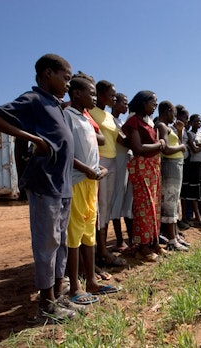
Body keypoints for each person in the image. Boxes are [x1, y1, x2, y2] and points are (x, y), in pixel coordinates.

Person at [0, 54, 78, 322]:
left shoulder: (56, 105)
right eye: (66, 78)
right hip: (45, 183)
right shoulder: (33, 99)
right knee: (47, 244)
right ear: (48, 74)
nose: (68, 83)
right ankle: (46, 307)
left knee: (61, 244)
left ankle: (57, 298)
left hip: (62, 184)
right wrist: (33, 138)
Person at [64, 72, 121, 305]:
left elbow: (94, 148)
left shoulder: (87, 119)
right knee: (74, 233)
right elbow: (65, 152)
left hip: (91, 182)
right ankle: (75, 287)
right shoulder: (67, 115)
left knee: (89, 231)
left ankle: (91, 282)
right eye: (91, 93)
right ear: (77, 93)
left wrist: (98, 169)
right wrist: (87, 169)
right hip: (77, 181)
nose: (95, 98)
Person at [122, 91, 166, 262]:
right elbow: (138, 148)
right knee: (144, 207)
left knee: (154, 206)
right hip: (142, 166)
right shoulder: (133, 121)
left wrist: (158, 145)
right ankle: (143, 247)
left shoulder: (148, 123)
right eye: (152, 102)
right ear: (142, 103)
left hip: (153, 166)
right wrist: (160, 143)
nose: (155, 106)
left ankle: (154, 242)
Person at [88, 80, 127, 267]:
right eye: (111, 95)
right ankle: (99, 251)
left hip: (112, 162)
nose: (113, 97)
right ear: (100, 94)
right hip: (99, 161)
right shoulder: (90, 112)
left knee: (106, 206)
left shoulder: (109, 117)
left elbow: (122, 138)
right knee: (98, 207)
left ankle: (101, 249)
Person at [155, 100, 189, 251]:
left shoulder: (169, 127)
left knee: (174, 202)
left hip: (176, 165)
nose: (175, 117)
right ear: (167, 111)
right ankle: (171, 240)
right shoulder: (161, 125)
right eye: (173, 114)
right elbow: (166, 149)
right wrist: (182, 147)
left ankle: (175, 237)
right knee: (169, 202)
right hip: (169, 165)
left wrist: (180, 133)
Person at [110, 93, 134, 250]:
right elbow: (124, 141)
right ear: (115, 103)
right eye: (123, 103)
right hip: (118, 161)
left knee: (128, 201)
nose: (126, 106)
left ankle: (131, 238)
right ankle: (119, 240)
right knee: (117, 199)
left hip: (127, 161)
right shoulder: (110, 121)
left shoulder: (121, 121)